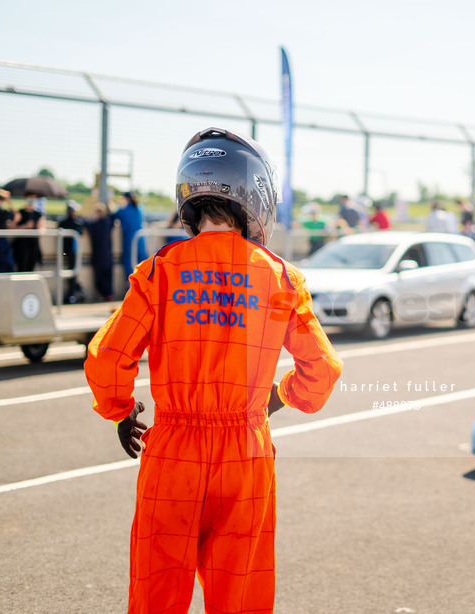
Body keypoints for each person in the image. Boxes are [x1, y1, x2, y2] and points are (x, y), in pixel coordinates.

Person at [84, 127, 343, 613]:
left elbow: (106, 357)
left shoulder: (159, 271)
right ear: (254, 192)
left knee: (157, 593)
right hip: (244, 452)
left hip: (172, 452)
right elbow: (322, 369)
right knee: (240, 595)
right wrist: (278, 396)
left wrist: (121, 410)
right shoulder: (280, 275)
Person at [113, 191, 148, 281]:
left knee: (129, 263)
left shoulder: (124, 210)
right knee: (143, 263)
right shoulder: (140, 208)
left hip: (129, 239)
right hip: (141, 239)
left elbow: (112, 216)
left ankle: (131, 285)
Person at [85, 203, 115, 301]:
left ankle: (105, 294)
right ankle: (109, 294)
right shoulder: (108, 223)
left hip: (98, 254)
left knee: (99, 277)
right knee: (108, 276)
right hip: (108, 254)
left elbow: (86, 224)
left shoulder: (95, 225)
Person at [58, 200, 85, 303]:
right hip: (72, 251)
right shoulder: (77, 222)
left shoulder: (63, 222)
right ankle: (72, 294)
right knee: (72, 274)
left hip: (68, 251)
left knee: (72, 274)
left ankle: (72, 294)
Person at [12, 192, 45, 272]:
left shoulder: (38, 214)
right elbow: (12, 227)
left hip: (33, 245)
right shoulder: (20, 213)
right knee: (21, 268)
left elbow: (42, 228)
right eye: (30, 198)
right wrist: (24, 227)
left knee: (31, 269)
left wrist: (38, 228)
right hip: (21, 246)